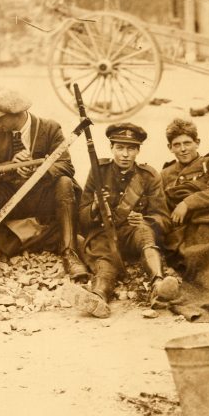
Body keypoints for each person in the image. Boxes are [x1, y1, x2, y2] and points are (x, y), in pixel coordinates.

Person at [0, 87, 88, 284]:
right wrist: (12, 166)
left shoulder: (50, 128)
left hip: (41, 198)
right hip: (11, 199)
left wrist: (39, 170)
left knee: (65, 184)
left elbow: (66, 166)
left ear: (16, 114)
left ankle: (69, 252)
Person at [74, 123, 179, 318]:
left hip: (133, 236)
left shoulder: (148, 176)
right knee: (105, 260)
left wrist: (145, 220)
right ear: (111, 148)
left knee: (145, 232)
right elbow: (81, 219)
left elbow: (163, 218)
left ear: (138, 150)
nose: (125, 154)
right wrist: (95, 206)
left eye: (131, 148)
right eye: (120, 148)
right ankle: (99, 297)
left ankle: (158, 284)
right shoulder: (99, 171)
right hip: (104, 235)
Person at [159, 118, 209, 255]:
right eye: (177, 145)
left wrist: (187, 203)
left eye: (187, 143)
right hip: (180, 229)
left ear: (197, 143)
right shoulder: (165, 173)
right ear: (170, 148)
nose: (183, 149)